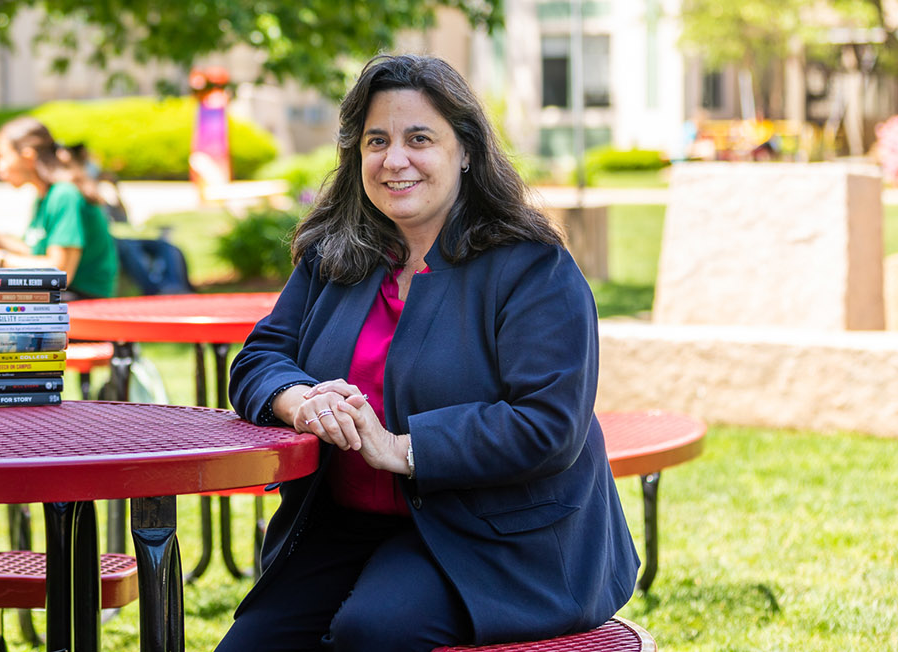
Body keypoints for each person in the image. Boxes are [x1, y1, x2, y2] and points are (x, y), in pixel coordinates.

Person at [219, 54, 639, 651]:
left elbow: (549, 425)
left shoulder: (532, 267)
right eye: (376, 140)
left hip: (494, 536)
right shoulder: (336, 255)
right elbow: (260, 356)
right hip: (345, 525)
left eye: (420, 138)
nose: (395, 160)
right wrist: (299, 399)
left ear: (465, 150)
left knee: (374, 632)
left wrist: (400, 449)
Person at [0, 117, 119, 299]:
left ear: (28, 157)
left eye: (2, 156)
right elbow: (33, 253)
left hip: (81, 301)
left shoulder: (64, 195)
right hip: (63, 296)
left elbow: (59, 273)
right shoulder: (45, 196)